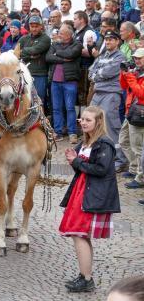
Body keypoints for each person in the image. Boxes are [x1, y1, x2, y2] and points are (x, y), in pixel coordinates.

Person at [59, 106, 120, 293]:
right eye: (82, 119)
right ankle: (85, 275)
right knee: (80, 235)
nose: (83, 122)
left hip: (92, 195)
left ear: (98, 122)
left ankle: (86, 279)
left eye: (88, 120)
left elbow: (101, 170)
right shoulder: (85, 143)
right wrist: (73, 160)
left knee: (78, 234)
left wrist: (76, 161)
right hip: (81, 192)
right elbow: (83, 168)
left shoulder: (104, 144)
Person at [88, 30, 126, 166]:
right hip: (97, 93)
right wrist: (98, 74)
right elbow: (90, 72)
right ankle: (98, 154)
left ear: (117, 41)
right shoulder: (102, 55)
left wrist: (98, 74)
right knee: (92, 123)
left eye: (111, 39)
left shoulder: (120, 57)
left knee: (111, 126)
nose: (108, 41)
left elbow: (109, 72)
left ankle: (119, 159)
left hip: (111, 94)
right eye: (107, 39)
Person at [46, 24, 83, 142]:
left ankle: (72, 132)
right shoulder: (55, 44)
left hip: (70, 81)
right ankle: (58, 132)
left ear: (68, 35)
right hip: (55, 81)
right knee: (56, 108)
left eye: (61, 33)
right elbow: (48, 57)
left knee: (70, 108)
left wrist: (58, 53)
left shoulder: (77, 44)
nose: (59, 35)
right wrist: (63, 58)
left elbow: (71, 54)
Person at [119, 48, 144, 192]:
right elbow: (123, 86)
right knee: (124, 141)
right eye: (135, 58)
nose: (137, 61)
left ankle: (140, 178)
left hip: (139, 115)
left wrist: (130, 76)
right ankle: (134, 168)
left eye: (140, 58)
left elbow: (140, 93)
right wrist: (124, 73)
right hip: (131, 112)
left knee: (138, 147)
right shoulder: (136, 72)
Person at [18, 15, 51, 104]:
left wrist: (23, 51)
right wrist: (30, 55)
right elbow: (17, 53)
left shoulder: (45, 38)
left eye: (36, 26)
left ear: (41, 26)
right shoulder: (24, 38)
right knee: (24, 100)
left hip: (40, 74)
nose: (34, 29)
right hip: (24, 73)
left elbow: (36, 50)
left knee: (39, 100)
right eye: (32, 26)